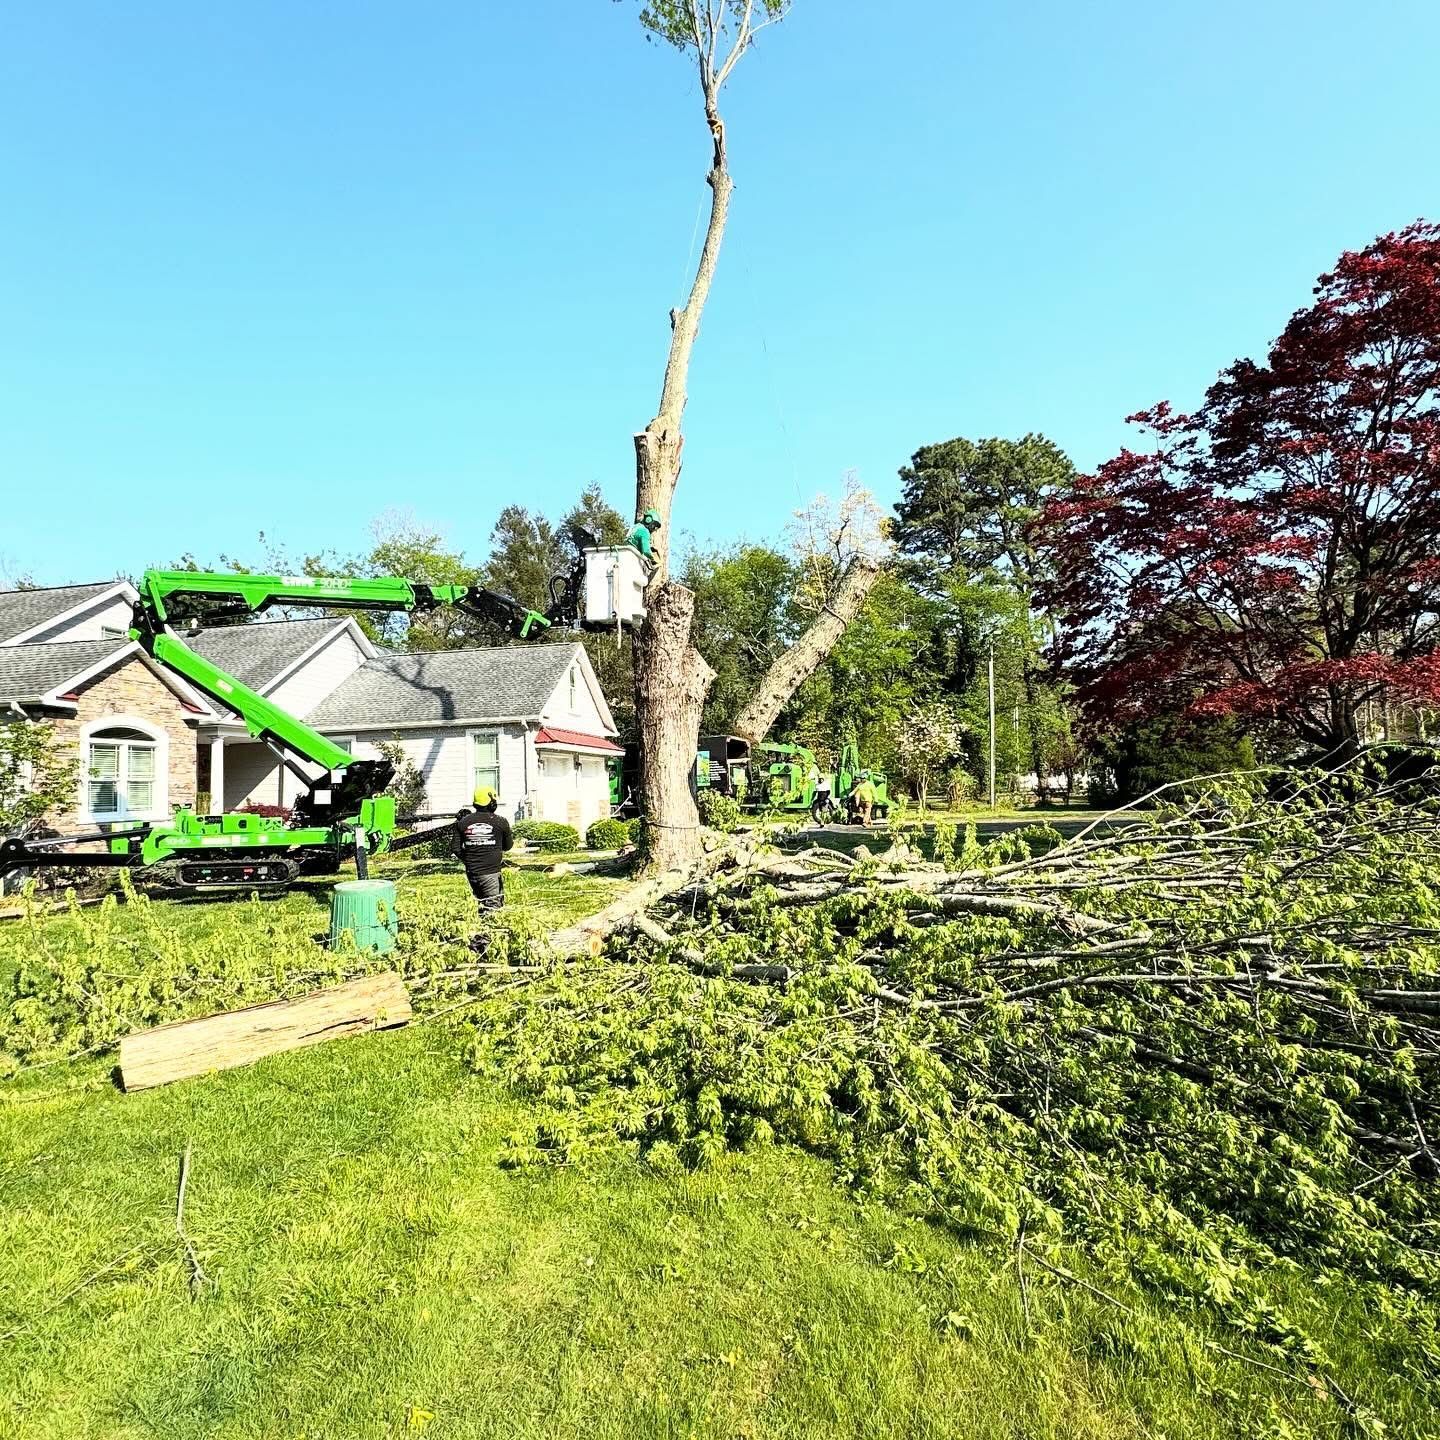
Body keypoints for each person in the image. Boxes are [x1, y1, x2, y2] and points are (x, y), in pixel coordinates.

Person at [450, 786, 514, 913]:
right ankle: (489, 932)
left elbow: (455, 848)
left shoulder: (462, 823)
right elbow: (508, 846)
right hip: (490, 873)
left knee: (481, 903)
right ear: (491, 802)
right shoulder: (501, 822)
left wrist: (469, 860)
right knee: (493, 908)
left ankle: (482, 930)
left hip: (472, 873)